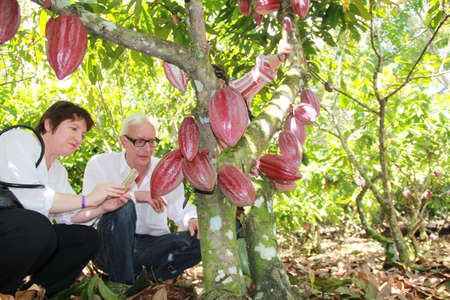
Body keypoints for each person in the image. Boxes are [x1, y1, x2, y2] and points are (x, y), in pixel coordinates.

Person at [0, 101, 129, 296]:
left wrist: (102, 208)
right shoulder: (20, 139)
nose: (78, 138)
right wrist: (89, 198)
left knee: (85, 238)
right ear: (49, 124)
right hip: (10, 227)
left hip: (25, 234)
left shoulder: (58, 171)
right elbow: (31, 198)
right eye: (73, 128)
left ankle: (34, 293)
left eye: (83, 135)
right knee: (37, 226)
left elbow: (69, 216)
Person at [76, 113, 200, 284]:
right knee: (122, 206)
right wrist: (137, 196)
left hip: (152, 247)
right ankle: (123, 285)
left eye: (152, 142)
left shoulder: (164, 169)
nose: (147, 149)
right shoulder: (100, 164)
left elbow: (180, 210)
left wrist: (192, 219)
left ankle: (143, 278)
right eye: (140, 142)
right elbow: (88, 213)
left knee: (204, 236)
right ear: (123, 141)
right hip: (110, 246)